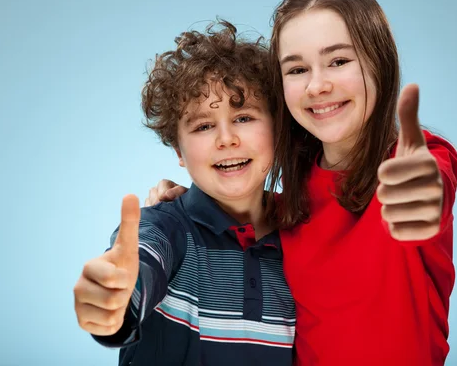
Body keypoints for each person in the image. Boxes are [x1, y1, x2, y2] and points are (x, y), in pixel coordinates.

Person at [148, 0, 457, 366]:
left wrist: (424, 186)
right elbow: (243, 207)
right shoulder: (293, 199)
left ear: (378, 61)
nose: (317, 85)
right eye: (297, 69)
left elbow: (433, 182)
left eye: (339, 61)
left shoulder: (417, 161)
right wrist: (182, 205)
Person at [73, 21, 296, 366]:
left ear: (277, 129)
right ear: (178, 150)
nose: (226, 139)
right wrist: (116, 296)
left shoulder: (302, 237)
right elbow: (140, 259)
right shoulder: (165, 227)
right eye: (204, 126)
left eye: (244, 117)